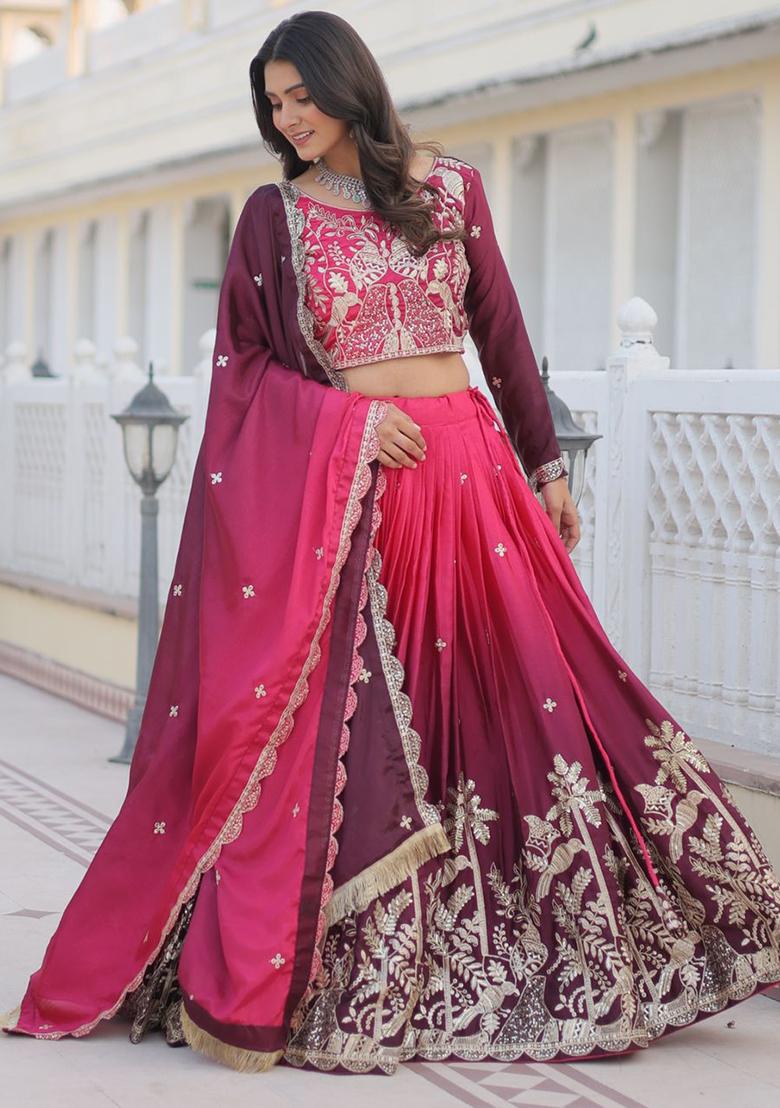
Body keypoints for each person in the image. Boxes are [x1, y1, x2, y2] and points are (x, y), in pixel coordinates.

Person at [3, 9, 780, 1077]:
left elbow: (500, 329)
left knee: (527, 697)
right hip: (359, 491)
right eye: (272, 105)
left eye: (299, 96)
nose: (287, 119)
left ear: (346, 84)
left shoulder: (450, 188)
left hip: (472, 478)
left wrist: (546, 466)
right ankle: (372, 954)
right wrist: (351, 425)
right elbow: (242, 371)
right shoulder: (272, 219)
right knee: (372, 724)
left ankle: (586, 930)